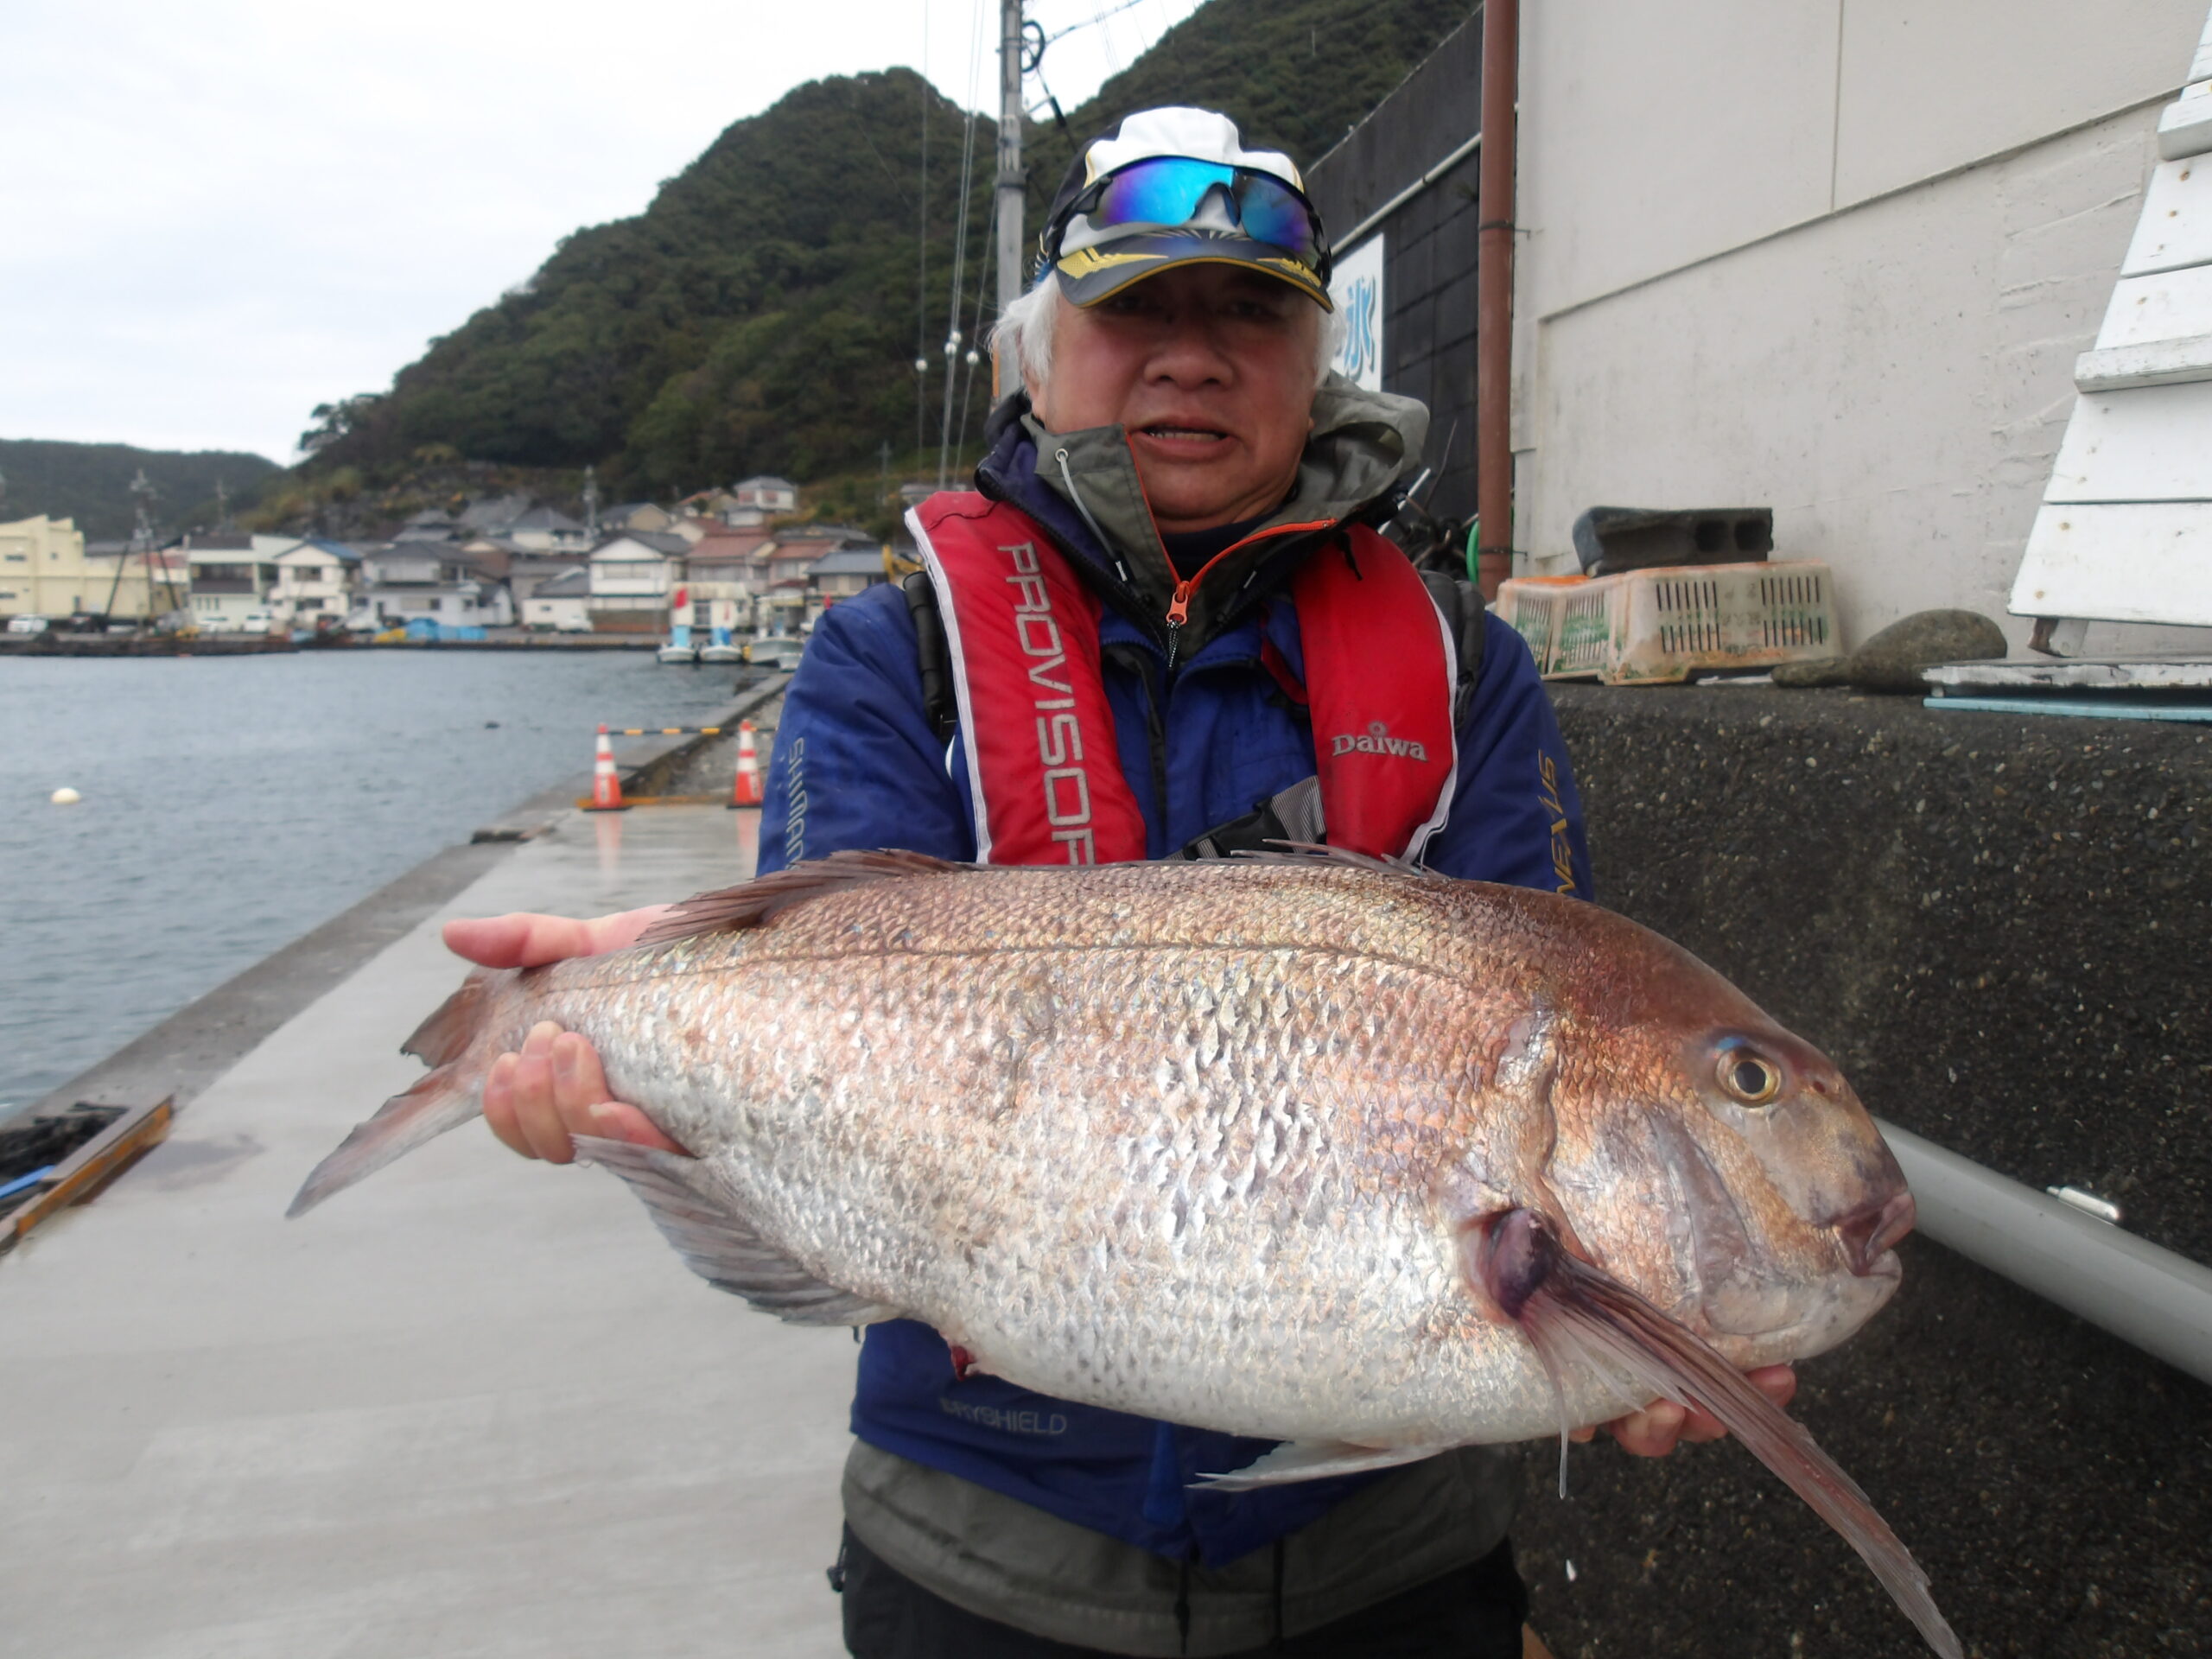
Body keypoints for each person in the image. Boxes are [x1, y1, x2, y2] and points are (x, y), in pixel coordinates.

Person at [448, 107, 1796, 1659]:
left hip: (1390, 1561)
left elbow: (1571, 1034)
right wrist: (634, 1043)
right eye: (1135, 308)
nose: (1192, 357)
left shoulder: (1460, 664)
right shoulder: (895, 648)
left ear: (1319, 363)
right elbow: (814, 970)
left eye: (1248, 316)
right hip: (980, 1538)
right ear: (1039, 355)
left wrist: (1634, 1337)